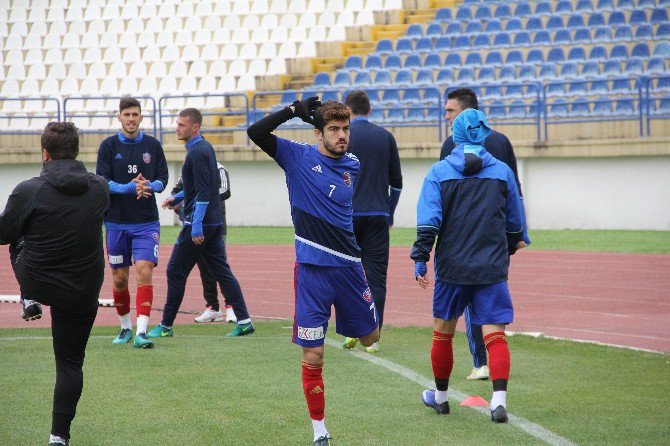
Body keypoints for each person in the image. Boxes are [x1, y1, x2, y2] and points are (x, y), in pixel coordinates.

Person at [247, 97, 380, 446]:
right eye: (334, 129)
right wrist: (292, 110)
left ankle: (347, 321)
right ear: (318, 133)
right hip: (312, 272)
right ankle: (319, 429)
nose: (342, 135)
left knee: (372, 338)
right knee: (314, 354)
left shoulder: (354, 163)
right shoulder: (296, 157)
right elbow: (256, 131)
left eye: (345, 129)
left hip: (350, 269)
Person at [411, 108, 527, 423]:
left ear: (456, 136)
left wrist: (421, 257)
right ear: (484, 134)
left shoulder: (438, 172)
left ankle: (441, 398)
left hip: (452, 267)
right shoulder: (502, 172)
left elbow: (429, 220)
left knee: (443, 334)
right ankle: (498, 401)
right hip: (490, 267)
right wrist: (511, 246)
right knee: (495, 334)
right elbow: (515, 224)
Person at [0, 122, 109, 446]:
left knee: (17, 238)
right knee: (70, 363)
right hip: (82, 287)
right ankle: (59, 437)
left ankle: (28, 298)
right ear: (77, 151)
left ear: (44, 153)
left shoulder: (28, 189)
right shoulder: (100, 187)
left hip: (40, 280)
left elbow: (4, 235)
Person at [439, 88, 529, 380]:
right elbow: (515, 187)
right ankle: (494, 356)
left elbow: (444, 196)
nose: (447, 117)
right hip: (497, 238)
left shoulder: (452, 143)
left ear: (465, 113)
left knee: (469, 302)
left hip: (463, 240)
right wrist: (518, 234)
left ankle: (481, 362)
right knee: (492, 298)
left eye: (450, 111)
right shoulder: (502, 141)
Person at [147, 108, 253, 339]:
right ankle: (244, 321)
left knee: (175, 270)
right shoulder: (203, 148)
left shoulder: (197, 152)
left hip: (201, 224)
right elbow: (199, 187)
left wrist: (195, 225)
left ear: (195, 127)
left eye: (182, 125)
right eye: (177, 124)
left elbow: (205, 191)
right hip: (214, 223)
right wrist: (178, 196)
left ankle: (165, 326)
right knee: (222, 272)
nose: (177, 128)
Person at [96, 97, 169, 349]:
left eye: (135, 114)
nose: (131, 118)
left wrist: (148, 185)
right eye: (126, 114)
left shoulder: (152, 145)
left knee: (144, 270)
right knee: (119, 278)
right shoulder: (108, 146)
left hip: (146, 223)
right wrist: (130, 187)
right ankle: (125, 326)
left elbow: (163, 179)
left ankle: (141, 331)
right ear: (119, 117)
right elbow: (103, 181)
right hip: (115, 222)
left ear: (141, 117)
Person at [341, 90, 402, 353]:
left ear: (347, 110)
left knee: (345, 274)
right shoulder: (385, 137)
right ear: (370, 110)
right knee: (376, 278)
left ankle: (350, 331)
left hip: (347, 217)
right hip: (377, 216)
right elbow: (397, 184)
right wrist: (388, 212)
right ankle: (374, 337)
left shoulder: (344, 136)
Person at [170, 164, 237, 324]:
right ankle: (213, 308)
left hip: (215, 225)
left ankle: (231, 307)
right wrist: (177, 204)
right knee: (203, 267)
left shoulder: (218, 169)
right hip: (193, 225)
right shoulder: (189, 169)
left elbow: (225, 191)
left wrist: (200, 196)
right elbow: (176, 191)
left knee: (220, 267)